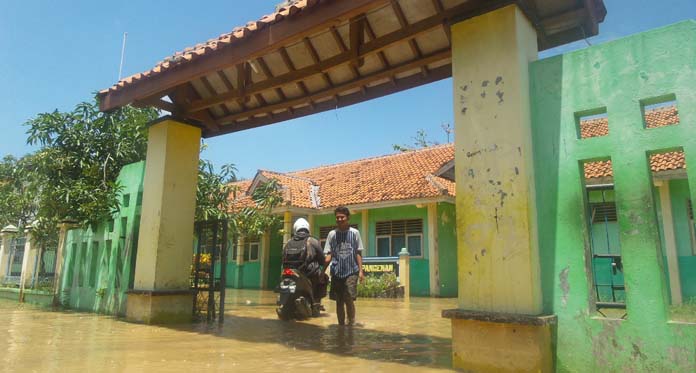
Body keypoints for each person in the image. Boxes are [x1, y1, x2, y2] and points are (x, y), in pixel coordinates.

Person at [324, 206, 364, 326]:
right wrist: (322, 271)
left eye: (342, 217)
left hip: (352, 271)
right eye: (337, 217)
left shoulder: (355, 233)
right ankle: (341, 326)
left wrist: (361, 271)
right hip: (336, 271)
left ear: (348, 218)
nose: (340, 219)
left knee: (349, 298)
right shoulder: (332, 235)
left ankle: (351, 323)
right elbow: (329, 255)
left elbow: (358, 252)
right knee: (339, 301)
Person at [281, 218, 327, 310]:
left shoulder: (289, 242)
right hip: (308, 273)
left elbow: (283, 259)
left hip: (289, 272)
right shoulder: (313, 241)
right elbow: (322, 260)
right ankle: (316, 304)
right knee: (324, 278)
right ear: (307, 228)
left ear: (295, 229)